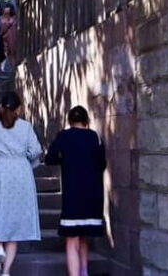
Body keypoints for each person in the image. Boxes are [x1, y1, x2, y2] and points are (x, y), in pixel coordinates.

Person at [0, 92, 42, 276]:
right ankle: (6, 272)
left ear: (1, 107)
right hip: (21, 172)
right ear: (19, 108)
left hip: (0, 171)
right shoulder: (26, 127)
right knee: (14, 222)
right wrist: (25, 161)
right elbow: (35, 151)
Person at [46, 106, 106, 276]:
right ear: (86, 120)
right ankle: (84, 271)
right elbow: (102, 164)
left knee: (71, 239)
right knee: (84, 236)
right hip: (93, 195)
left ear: (69, 121)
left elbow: (49, 158)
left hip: (73, 195)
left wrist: (65, 160)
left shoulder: (64, 136)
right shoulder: (95, 137)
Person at [0, 5, 17, 71]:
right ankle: (4, 69)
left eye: (8, 13)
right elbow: (0, 30)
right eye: (5, 13)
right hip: (4, 40)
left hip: (12, 39)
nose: (7, 15)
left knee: (12, 55)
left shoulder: (14, 19)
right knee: (4, 54)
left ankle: (13, 69)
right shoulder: (1, 19)